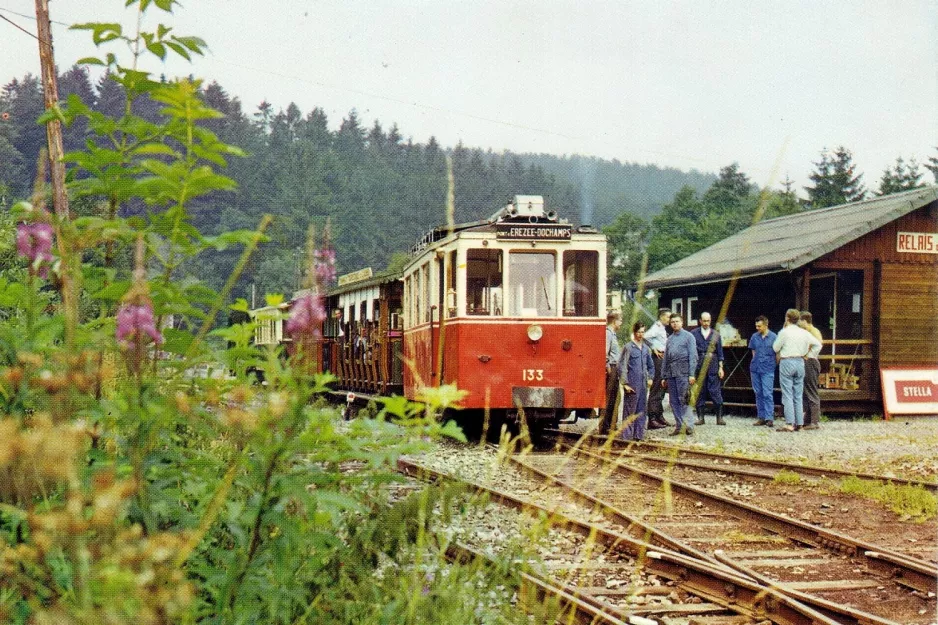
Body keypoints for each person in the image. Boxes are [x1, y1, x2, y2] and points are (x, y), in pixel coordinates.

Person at [773, 309, 822, 432]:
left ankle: (790, 423)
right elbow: (818, 344)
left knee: (788, 393)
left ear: (787, 318)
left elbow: (775, 347)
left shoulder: (784, 332)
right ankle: (800, 423)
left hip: (787, 361)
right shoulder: (804, 333)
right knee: (798, 394)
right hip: (800, 361)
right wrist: (809, 354)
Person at [660, 313, 698, 436]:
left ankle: (689, 426)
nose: (675, 324)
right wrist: (664, 375)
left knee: (685, 399)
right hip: (671, 373)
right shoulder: (670, 339)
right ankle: (679, 425)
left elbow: (693, 356)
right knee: (673, 401)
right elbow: (666, 358)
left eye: (677, 321)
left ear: (682, 322)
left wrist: (691, 374)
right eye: (672, 322)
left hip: (684, 372)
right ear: (670, 324)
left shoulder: (689, 337)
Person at [618, 321, 655, 441]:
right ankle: (626, 436)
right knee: (630, 410)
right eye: (638, 332)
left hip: (643, 383)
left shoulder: (645, 348)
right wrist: (625, 384)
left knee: (641, 410)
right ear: (634, 332)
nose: (641, 334)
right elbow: (622, 366)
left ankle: (638, 435)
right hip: (632, 382)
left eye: (643, 332)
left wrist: (650, 378)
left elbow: (651, 365)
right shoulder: (628, 347)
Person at [690, 311, 725, 425]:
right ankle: (701, 418)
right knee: (700, 391)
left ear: (710, 321)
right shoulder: (693, 334)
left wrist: (720, 368)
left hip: (713, 364)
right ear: (700, 321)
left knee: (715, 390)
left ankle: (719, 418)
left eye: (708, 321)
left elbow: (720, 353)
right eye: (704, 321)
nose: (706, 323)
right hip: (699, 364)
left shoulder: (716, 334)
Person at [643, 308, 671, 429]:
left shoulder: (662, 328)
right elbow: (644, 336)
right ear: (662, 317)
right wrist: (654, 347)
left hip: (664, 358)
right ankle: (652, 418)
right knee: (656, 388)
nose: (669, 320)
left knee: (662, 388)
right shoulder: (657, 327)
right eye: (668, 317)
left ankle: (659, 416)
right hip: (658, 359)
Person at [749, 315, 777, 426]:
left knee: (767, 393)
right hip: (755, 368)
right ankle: (761, 417)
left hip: (768, 368)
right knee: (758, 392)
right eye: (756, 326)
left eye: (759, 326)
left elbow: (777, 354)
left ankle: (769, 417)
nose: (757, 328)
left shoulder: (774, 337)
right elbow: (753, 352)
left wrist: (773, 365)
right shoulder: (754, 337)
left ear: (766, 325)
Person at [599, 311, 623, 435]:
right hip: (610, 369)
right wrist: (607, 366)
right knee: (609, 397)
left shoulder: (612, 334)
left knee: (615, 397)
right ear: (615, 321)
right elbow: (604, 352)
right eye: (620, 321)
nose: (621, 323)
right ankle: (605, 426)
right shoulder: (608, 334)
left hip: (614, 368)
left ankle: (610, 424)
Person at [799, 311, 823, 430]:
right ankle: (808, 419)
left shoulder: (814, 332)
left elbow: (818, 345)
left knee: (811, 391)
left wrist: (808, 355)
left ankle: (815, 421)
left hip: (811, 361)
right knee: (806, 392)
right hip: (807, 361)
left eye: (800, 321)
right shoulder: (808, 332)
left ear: (804, 321)